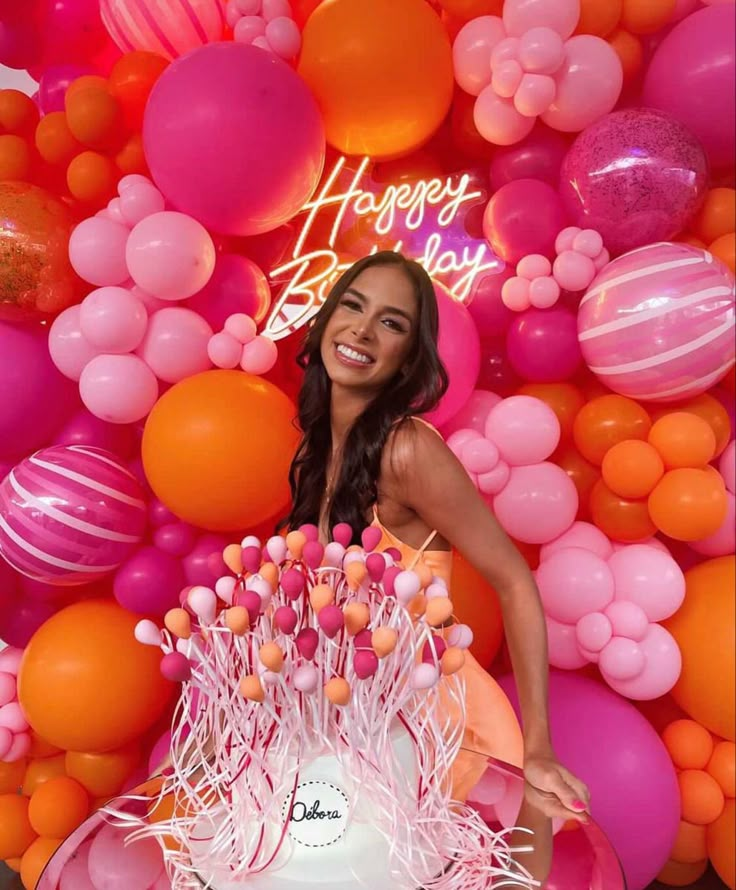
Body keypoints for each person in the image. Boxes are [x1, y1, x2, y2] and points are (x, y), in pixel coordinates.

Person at [285, 250, 591, 880]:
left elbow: (513, 578)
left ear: (408, 356)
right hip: (367, 736)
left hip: (445, 738)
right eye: (353, 306)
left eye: (392, 324)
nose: (364, 332)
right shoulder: (319, 449)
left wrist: (538, 750)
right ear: (325, 322)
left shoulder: (407, 449)